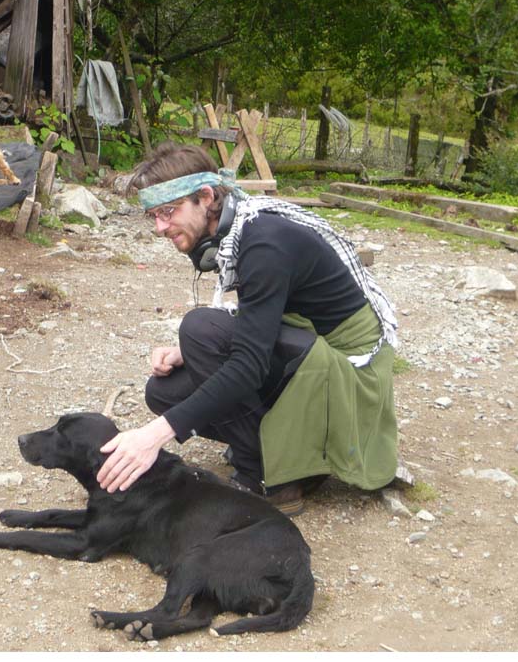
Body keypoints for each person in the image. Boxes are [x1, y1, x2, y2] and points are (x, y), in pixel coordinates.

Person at [96, 142, 400, 516]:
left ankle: (271, 480)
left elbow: (249, 365)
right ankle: (298, 460)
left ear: (205, 197)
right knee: (164, 392)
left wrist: (153, 436)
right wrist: (183, 356)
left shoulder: (264, 242)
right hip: (315, 359)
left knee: (199, 329)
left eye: (167, 212)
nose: (160, 227)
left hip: (349, 381)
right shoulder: (240, 230)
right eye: (154, 216)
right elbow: (263, 314)